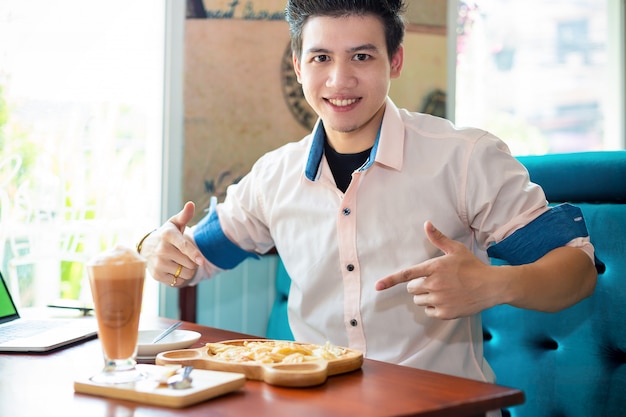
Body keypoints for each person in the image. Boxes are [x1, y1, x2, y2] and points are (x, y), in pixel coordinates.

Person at [139, 0, 597, 389]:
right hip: (313, 406)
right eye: (321, 58)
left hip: (439, 408)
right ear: (298, 65)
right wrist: (157, 249)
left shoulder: (466, 158)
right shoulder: (273, 176)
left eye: (361, 57)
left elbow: (577, 271)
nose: (339, 81)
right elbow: (190, 258)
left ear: (394, 61)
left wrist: (495, 285)